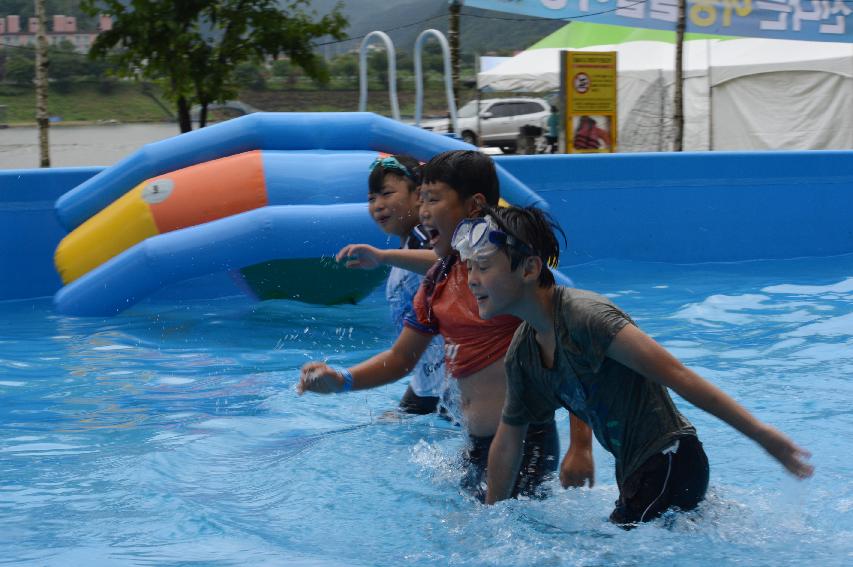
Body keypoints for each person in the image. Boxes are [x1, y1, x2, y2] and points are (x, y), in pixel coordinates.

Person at [452, 205, 814, 523]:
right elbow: (508, 440)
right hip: (640, 472)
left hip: (671, 458)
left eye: (483, 266)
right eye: (469, 267)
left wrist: (762, 435)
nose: (472, 279)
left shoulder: (586, 317)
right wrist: (491, 516)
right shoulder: (523, 353)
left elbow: (678, 375)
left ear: (530, 268)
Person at [298, 150, 594, 501]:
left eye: (433, 199)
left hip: (524, 441)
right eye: (421, 199)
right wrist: (342, 380)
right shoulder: (436, 281)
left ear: (474, 206)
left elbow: (571, 353)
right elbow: (400, 359)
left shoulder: (507, 278)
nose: (422, 211)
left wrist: (581, 445)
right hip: (475, 443)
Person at [362, 154, 447, 414]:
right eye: (371, 198)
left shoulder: (425, 235)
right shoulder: (409, 244)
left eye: (387, 194)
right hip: (427, 379)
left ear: (418, 195)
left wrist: (383, 256)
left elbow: (445, 260)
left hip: (451, 378)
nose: (378, 205)